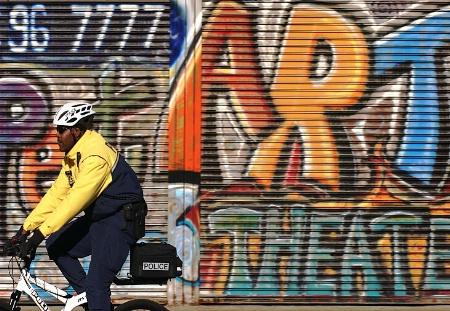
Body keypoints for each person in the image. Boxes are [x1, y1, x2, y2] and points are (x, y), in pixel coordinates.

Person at [5, 102, 147, 311]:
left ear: (77, 131)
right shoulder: (74, 156)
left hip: (119, 221)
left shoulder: (95, 156)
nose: (57, 135)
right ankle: (91, 301)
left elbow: (75, 200)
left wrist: (39, 234)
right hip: (100, 219)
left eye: (61, 130)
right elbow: (56, 196)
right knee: (57, 245)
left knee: (97, 285)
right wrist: (25, 229)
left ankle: (94, 298)